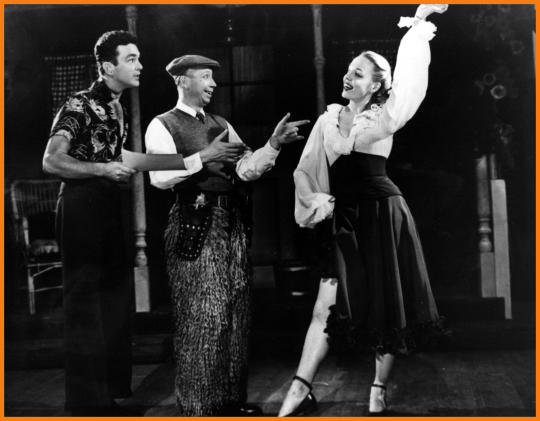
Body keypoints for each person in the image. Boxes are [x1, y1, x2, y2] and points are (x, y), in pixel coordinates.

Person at [278, 4, 449, 416]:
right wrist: (318, 203)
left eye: (358, 73)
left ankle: (377, 389)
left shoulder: (384, 116)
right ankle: (299, 390)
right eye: (348, 70)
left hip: (383, 213)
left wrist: (419, 23)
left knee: (387, 306)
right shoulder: (328, 121)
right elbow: (304, 171)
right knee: (324, 307)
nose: (347, 77)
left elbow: (410, 82)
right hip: (345, 218)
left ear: (375, 85)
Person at [145, 54, 309, 416]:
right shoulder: (162, 124)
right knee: (205, 316)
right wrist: (206, 155)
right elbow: (159, 176)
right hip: (195, 222)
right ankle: (200, 408)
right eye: (205, 76)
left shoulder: (221, 123)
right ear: (182, 80)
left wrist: (274, 144)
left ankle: (229, 402)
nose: (213, 84)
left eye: (213, 77)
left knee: (236, 315)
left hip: (231, 223)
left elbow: (246, 169)